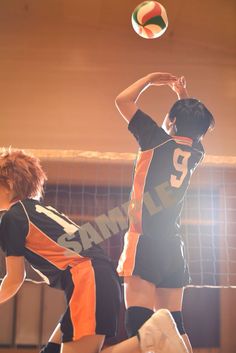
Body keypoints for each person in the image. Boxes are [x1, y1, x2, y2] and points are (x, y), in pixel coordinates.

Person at [0, 148, 189, 353]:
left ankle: (150, 336)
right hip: (100, 278)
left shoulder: (13, 217)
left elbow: (15, 277)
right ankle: (150, 337)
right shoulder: (40, 210)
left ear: (9, 184)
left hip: (88, 279)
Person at [115, 72, 215, 353]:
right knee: (176, 328)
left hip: (145, 242)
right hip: (174, 248)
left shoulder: (155, 139)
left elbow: (122, 100)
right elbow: (190, 131)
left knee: (140, 330)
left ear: (170, 121)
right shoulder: (196, 153)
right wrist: (184, 97)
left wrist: (150, 78)